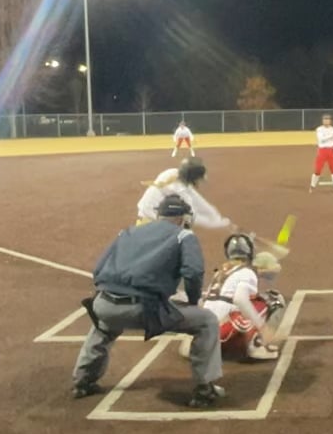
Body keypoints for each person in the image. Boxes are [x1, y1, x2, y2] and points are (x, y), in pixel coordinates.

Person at [72, 193, 225, 408]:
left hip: (104, 304)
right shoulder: (184, 236)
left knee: (103, 325)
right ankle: (204, 388)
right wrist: (193, 300)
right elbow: (193, 272)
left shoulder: (128, 232)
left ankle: (82, 382)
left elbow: (98, 269)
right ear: (184, 218)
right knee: (206, 321)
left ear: (159, 215)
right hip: (143, 310)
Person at [196, 234, 286, 362]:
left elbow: (203, 300)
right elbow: (240, 299)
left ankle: (196, 343)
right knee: (271, 300)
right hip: (223, 333)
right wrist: (263, 328)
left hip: (205, 334)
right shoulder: (247, 272)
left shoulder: (220, 272)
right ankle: (257, 346)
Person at [135, 157, 231, 229]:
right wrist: (219, 223)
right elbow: (192, 215)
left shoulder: (172, 173)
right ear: (192, 177)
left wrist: (215, 216)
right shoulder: (178, 188)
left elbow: (197, 198)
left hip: (151, 215)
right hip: (150, 220)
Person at [311, 113, 333, 192]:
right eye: (324, 119)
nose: (326, 121)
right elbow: (321, 139)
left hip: (331, 150)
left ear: (330, 121)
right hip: (322, 151)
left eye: (327, 119)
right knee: (318, 169)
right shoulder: (319, 129)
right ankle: (312, 186)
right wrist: (331, 136)